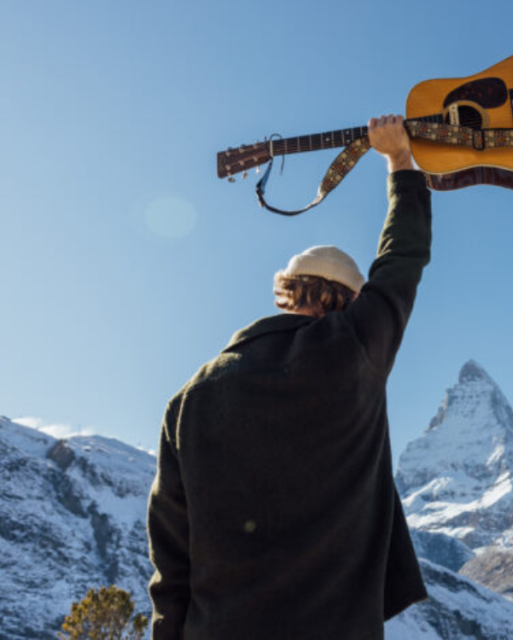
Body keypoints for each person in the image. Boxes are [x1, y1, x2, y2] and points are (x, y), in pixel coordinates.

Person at [146, 115, 431, 639]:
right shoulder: (354, 350)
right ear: (345, 302)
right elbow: (402, 258)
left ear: (288, 292)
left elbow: (171, 559)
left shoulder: (189, 399)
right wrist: (398, 159)